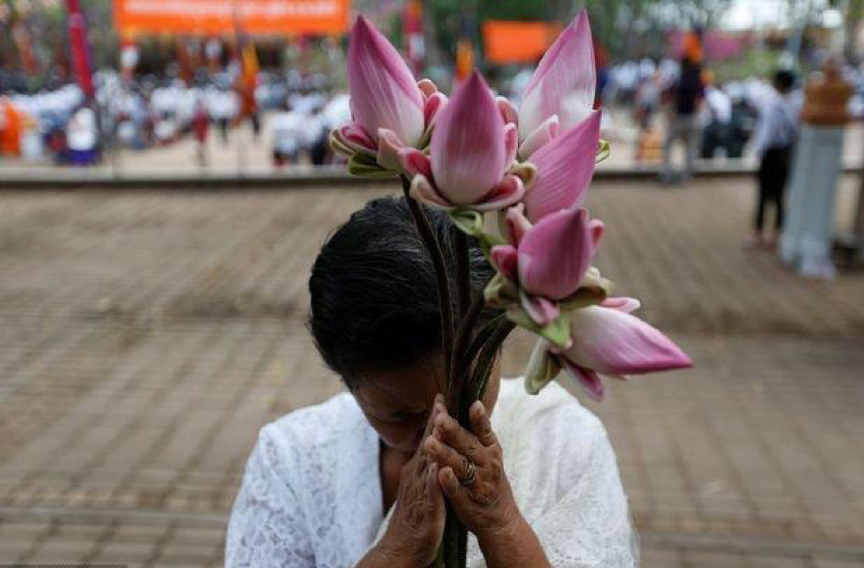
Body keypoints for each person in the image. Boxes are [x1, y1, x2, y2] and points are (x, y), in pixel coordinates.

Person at [225, 197, 637, 567]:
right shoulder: (291, 457)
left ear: (496, 351)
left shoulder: (566, 439)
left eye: (461, 398)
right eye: (402, 416)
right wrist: (399, 549)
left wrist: (502, 524)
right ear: (349, 384)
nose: (436, 431)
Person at [748, 69, 799, 250]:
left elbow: (766, 133)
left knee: (764, 196)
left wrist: (758, 151)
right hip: (786, 154)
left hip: (771, 153)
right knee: (779, 196)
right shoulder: (796, 103)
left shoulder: (772, 104)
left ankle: (758, 234)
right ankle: (776, 235)